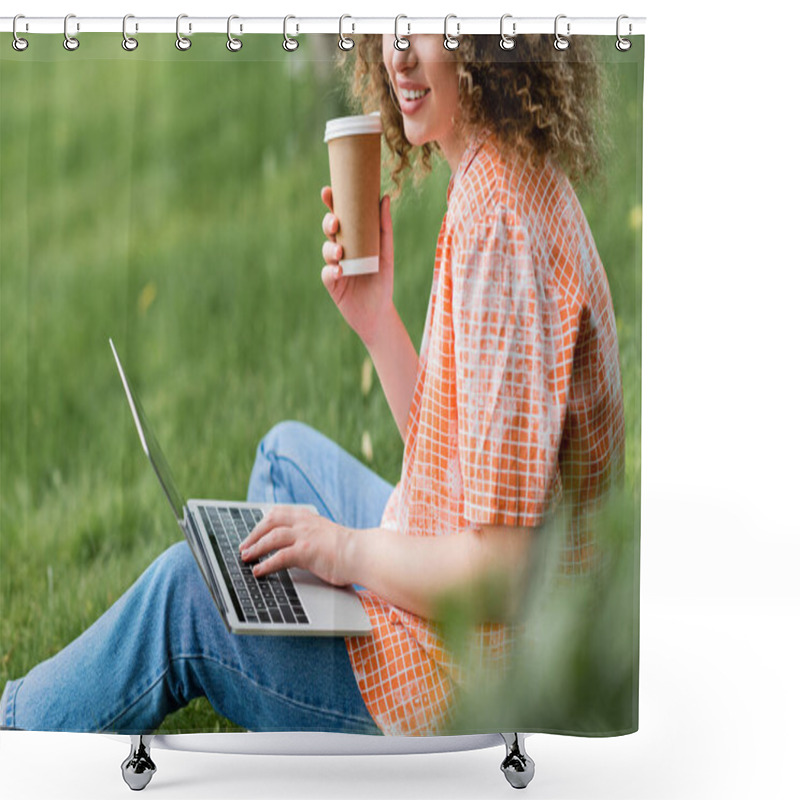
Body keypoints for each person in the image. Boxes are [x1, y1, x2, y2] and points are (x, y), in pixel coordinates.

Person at [1, 33, 624, 737]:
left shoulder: (497, 221)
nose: (398, 57)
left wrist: (346, 550)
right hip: (488, 619)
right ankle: (300, 664)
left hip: (480, 683)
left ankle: (12, 731)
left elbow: (503, 576)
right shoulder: (495, 171)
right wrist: (376, 319)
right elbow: (463, 464)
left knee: (185, 597)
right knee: (283, 455)